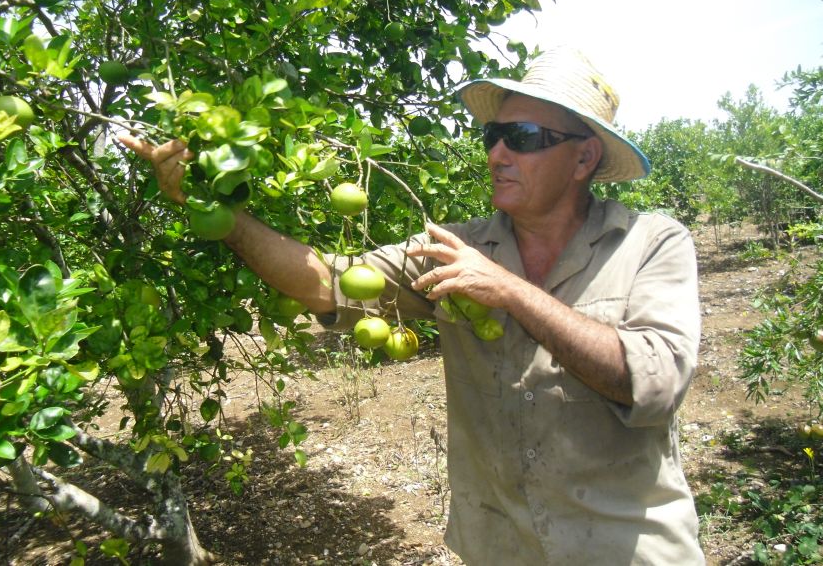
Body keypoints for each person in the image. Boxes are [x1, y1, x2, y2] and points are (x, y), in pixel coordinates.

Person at [118, 46, 705, 564]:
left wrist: (507, 290)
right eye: (492, 136)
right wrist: (214, 210)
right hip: (501, 548)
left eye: (522, 139)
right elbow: (328, 282)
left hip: (627, 549)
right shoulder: (457, 250)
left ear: (583, 160)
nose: (497, 154)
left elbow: (652, 381)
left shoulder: (652, 243)